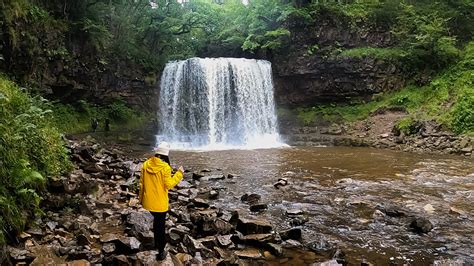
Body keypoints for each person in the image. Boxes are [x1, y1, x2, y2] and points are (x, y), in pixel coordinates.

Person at [139, 141, 184, 261]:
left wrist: (141, 200)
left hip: (148, 202)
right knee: (160, 227)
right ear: (165, 155)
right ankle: (160, 251)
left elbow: (142, 184)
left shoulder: (146, 164)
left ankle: (155, 244)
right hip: (160, 204)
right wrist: (179, 174)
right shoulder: (165, 168)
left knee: (156, 224)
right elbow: (168, 185)